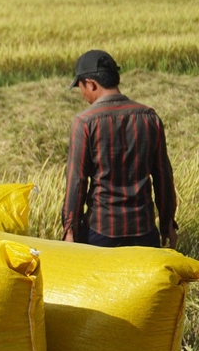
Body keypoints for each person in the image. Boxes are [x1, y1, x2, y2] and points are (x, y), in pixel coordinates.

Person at [61, 49, 176, 249]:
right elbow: (163, 176)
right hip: (145, 231)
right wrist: (167, 224)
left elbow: (77, 181)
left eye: (80, 87)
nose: (82, 95)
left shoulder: (85, 122)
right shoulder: (150, 117)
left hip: (102, 232)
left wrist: (70, 230)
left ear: (90, 83)